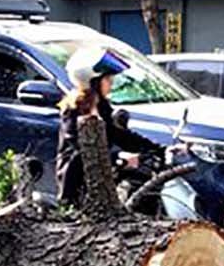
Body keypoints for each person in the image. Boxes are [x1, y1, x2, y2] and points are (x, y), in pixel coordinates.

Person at [55, 46, 162, 207]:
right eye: (108, 80)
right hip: (77, 179)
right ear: (94, 81)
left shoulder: (103, 107)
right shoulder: (73, 109)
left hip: (103, 175)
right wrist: (118, 156)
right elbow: (79, 146)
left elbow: (119, 135)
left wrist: (159, 149)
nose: (111, 84)